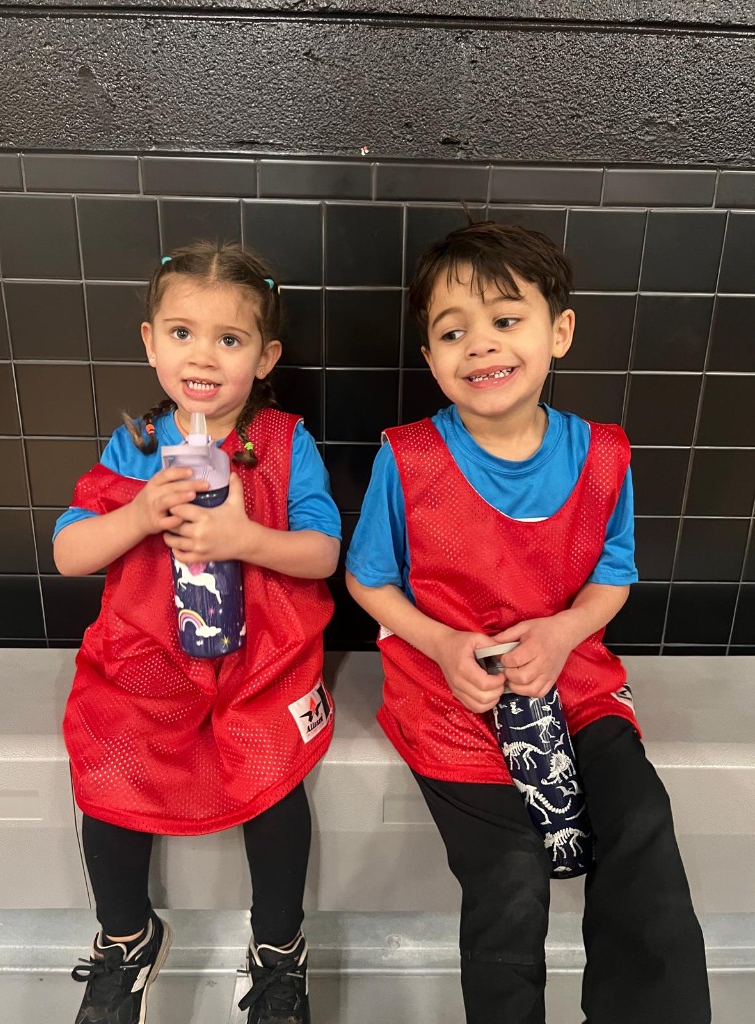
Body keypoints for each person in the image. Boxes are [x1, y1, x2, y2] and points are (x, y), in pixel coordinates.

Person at [345, 222, 710, 1024]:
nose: (480, 345)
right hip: (452, 700)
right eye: (453, 333)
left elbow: (614, 574)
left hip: (574, 683)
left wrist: (564, 631)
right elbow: (367, 579)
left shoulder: (604, 455)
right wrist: (443, 644)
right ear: (430, 357)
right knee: (509, 873)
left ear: (560, 332)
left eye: (506, 320)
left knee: (642, 822)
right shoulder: (407, 459)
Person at [54, 241, 341, 1024]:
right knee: (108, 767)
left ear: (265, 355)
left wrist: (247, 540)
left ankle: (278, 948)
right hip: (151, 660)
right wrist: (139, 512)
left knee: (274, 783)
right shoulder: (137, 446)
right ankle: (127, 938)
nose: (203, 356)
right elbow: (70, 552)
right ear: (151, 343)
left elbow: (323, 553)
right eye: (182, 333)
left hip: (263, 662)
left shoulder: (284, 443)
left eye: (230, 338)